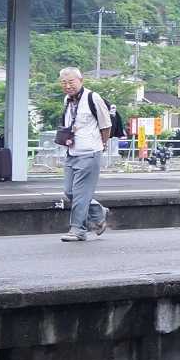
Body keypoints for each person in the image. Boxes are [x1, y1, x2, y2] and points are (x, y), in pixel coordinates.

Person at [56, 67, 112, 243]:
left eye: (71, 81)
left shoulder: (92, 98)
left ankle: (78, 229)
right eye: (64, 82)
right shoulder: (67, 100)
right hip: (72, 152)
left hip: (89, 152)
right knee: (69, 191)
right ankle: (98, 213)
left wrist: (102, 144)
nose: (67, 86)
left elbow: (106, 124)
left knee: (80, 194)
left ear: (81, 81)